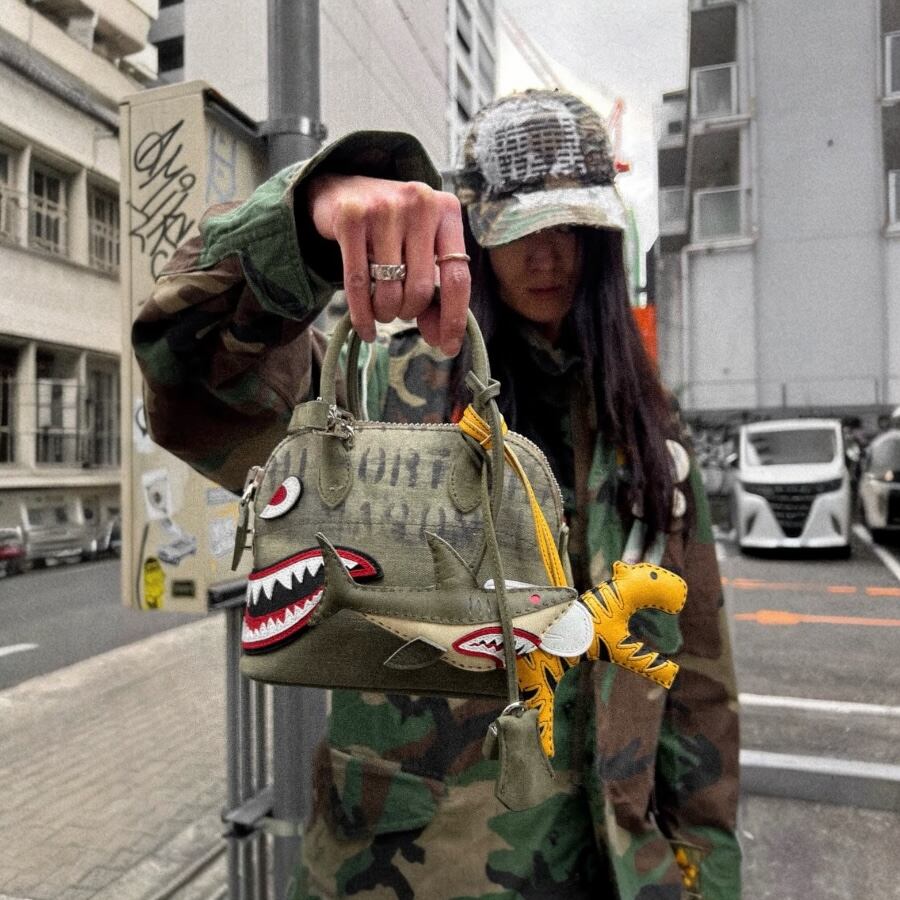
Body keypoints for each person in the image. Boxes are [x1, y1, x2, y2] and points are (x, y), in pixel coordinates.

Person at [134, 90, 741, 899]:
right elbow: (188, 375)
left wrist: (706, 875)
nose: (547, 257)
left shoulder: (647, 431)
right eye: (521, 230)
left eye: (570, 229)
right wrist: (304, 226)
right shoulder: (379, 393)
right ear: (475, 230)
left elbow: (698, 683)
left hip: (614, 869)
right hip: (406, 872)